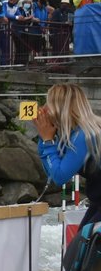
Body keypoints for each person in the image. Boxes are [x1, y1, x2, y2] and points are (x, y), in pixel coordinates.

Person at [34, 84, 101, 231]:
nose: (44, 108)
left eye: (48, 103)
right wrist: (44, 138)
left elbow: (59, 177)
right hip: (97, 203)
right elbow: (52, 172)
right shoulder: (82, 131)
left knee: (81, 249)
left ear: (61, 107)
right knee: (79, 248)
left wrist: (47, 141)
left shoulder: (83, 135)